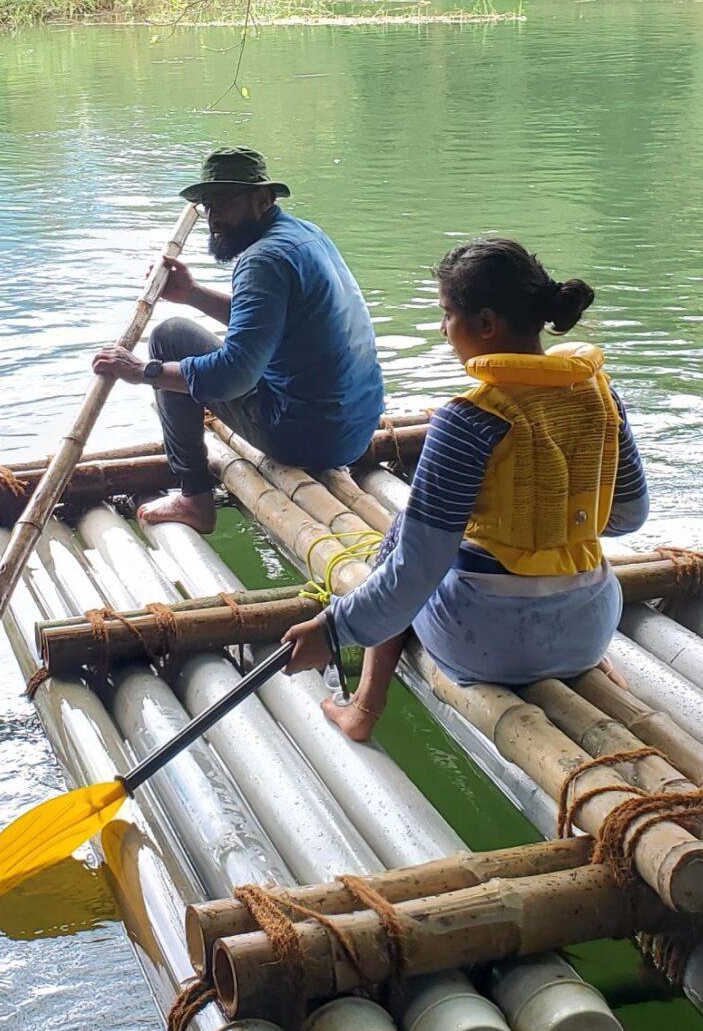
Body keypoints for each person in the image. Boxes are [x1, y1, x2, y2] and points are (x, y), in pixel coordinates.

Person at [286, 237, 648, 742]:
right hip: (589, 630)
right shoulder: (600, 394)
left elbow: (416, 573)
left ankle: (363, 710)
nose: (443, 330)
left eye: (446, 314)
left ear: (484, 323)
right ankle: (582, 658)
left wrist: (330, 630)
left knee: (397, 551)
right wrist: (544, 520)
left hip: (485, 642)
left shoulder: (469, 417)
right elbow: (628, 516)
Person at [92, 147, 386, 534]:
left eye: (225, 204)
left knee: (168, 339)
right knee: (180, 332)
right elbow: (270, 322)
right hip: (355, 429)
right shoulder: (306, 235)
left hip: (308, 439)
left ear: (262, 199)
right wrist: (193, 293)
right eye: (208, 207)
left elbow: (234, 376)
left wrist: (142, 371)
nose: (214, 220)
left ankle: (194, 498)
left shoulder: (262, 260)